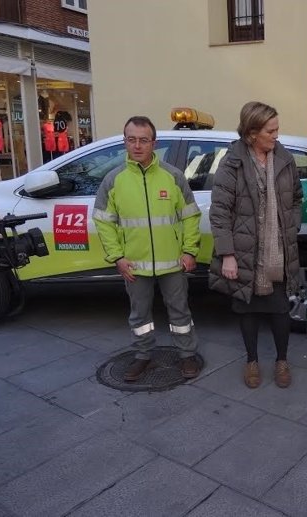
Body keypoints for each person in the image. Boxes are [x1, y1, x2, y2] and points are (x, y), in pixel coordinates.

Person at [93, 116, 201, 382]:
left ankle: (187, 355)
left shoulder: (172, 176)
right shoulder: (113, 180)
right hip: (135, 265)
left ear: (154, 143)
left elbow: (190, 215)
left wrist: (189, 251)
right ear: (125, 142)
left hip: (173, 262)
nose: (137, 145)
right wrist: (117, 257)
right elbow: (103, 222)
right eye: (132, 139)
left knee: (180, 312)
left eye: (143, 140)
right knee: (139, 315)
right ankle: (143, 356)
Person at [208, 101, 302, 389]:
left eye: (277, 129)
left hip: (278, 252)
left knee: (280, 309)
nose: (276, 135)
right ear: (251, 133)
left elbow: (296, 198)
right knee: (246, 310)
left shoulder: (284, 158)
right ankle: (251, 360)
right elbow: (220, 211)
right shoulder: (232, 162)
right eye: (270, 131)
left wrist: (291, 226)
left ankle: (282, 360)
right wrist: (228, 255)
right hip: (245, 251)